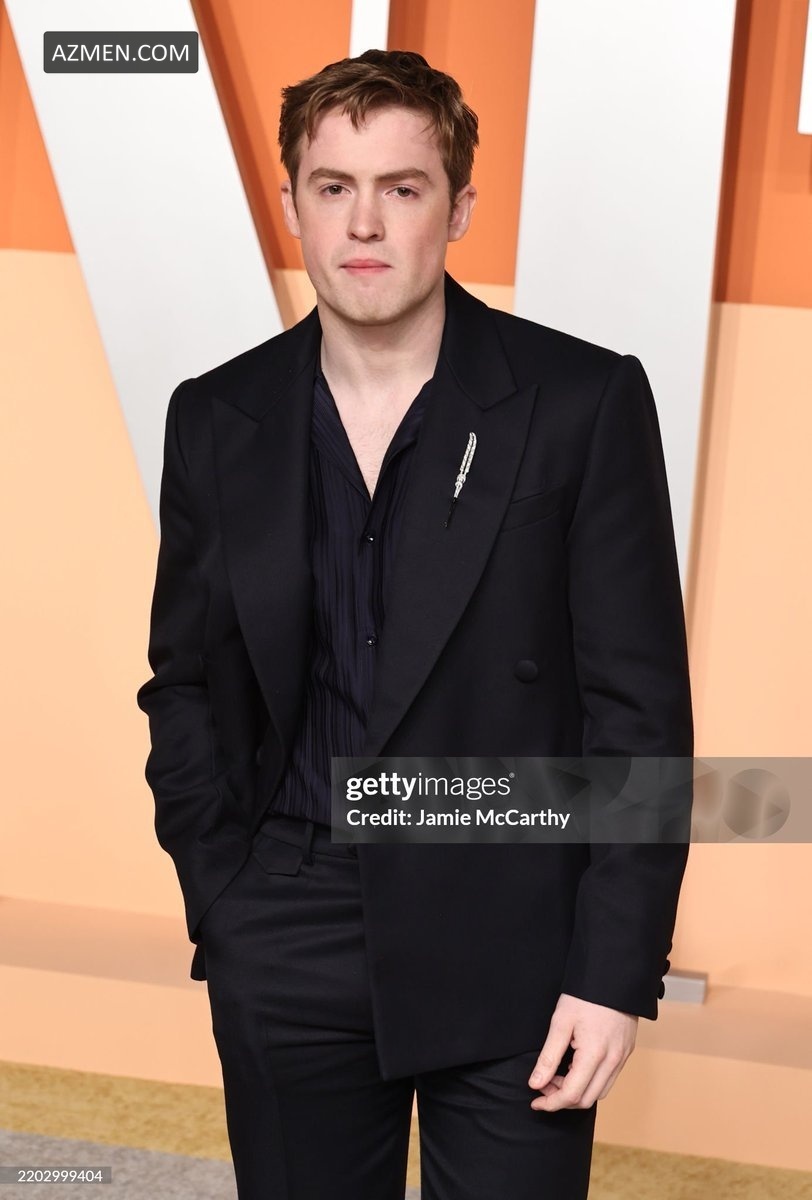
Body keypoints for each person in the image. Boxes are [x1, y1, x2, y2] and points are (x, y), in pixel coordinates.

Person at [136, 48, 693, 1200]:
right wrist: (224, 900)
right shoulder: (216, 418)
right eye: (332, 187)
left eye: (401, 187)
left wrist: (611, 970)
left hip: (514, 931)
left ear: (458, 209)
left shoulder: (580, 402)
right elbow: (184, 679)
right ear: (291, 205)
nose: (364, 223)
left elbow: (637, 711)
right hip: (285, 925)